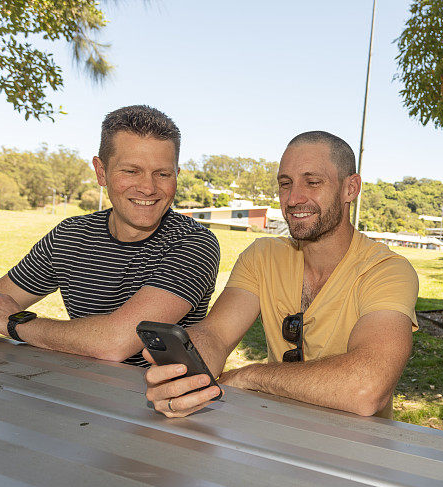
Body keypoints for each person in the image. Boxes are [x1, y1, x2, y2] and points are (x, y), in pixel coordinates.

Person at [144, 131, 418, 418]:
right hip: (276, 437)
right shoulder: (263, 256)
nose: (293, 198)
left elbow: (366, 389)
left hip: (353, 450)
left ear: (351, 188)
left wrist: (251, 376)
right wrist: (186, 371)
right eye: (285, 184)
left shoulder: (386, 270)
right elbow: (215, 334)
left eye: (313, 182)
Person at [0, 105, 220, 367]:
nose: (148, 188)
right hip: (79, 390)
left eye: (162, 174)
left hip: (162, 401)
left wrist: (15, 323)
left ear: (176, 175)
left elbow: (116, 342)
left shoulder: (195, 244)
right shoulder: (70, 235)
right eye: (131, 171)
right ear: (101, 172)